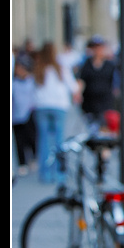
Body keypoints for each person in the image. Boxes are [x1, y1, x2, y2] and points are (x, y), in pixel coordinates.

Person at [32, 42, 80, 184]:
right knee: (59, 140)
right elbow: (72, 86)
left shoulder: (39, 68)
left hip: (42, 105)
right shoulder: (60, 68)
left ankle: (45, 172)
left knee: (44, 140)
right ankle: (59, 172)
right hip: (58, 105)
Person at [76, 36, 118, 134]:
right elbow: (81, 80)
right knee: (91, 130)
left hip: (105, 103)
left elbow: (115, 83)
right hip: (89, 104)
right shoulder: (86, 64)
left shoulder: (110, 65)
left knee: (104, 131)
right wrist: (78, 94)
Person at [12, 54, 38, 177]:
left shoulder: (31, 80)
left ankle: (33, 157)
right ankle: (22, 163)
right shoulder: (14, 82)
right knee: (19, 140)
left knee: (31, 137)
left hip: (29, 113)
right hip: (16, 114)